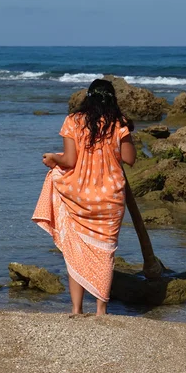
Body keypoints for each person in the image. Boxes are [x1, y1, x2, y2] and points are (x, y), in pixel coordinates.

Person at [32, 79, 136, 316]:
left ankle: (76, 309)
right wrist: (128, 136)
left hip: (79, 195)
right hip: (110, 199)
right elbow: (130, 159)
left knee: (74, 250)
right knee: (105, 251)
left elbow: (69, 161)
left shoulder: (73, 121)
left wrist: (52, 159)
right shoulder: (118, 123)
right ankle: (101, 310)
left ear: (87, 98)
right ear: (112, 100)